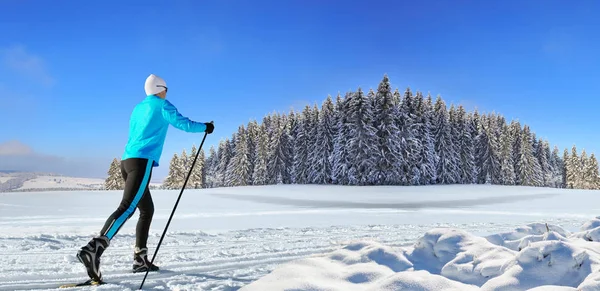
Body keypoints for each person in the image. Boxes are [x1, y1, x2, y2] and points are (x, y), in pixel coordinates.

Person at [76, 74, 214, 282]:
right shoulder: (161, 105)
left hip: (127, 161)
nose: (167, 92)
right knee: (127, 207)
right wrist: (205, 127)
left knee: (146, 209)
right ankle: (94, 248)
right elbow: (183, 123)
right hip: (142, 162)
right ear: (160, 89)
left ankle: (140, 259)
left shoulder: (138, 108)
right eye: (166, 88)